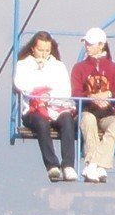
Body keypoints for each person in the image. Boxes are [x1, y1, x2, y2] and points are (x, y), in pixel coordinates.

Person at [14, 30, 78, 181]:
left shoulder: (57, 66)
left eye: (47, 51)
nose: (43, 54)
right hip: (32, 109)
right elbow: (21, 84)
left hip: (55, 107)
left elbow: (64, 89)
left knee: (67, 119)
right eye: (40, 50)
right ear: (33, 49)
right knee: (41, 124)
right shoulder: (24, 65)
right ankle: (52, 165)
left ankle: (68, 165)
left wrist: (48, 95)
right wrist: (39, 92)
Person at [70, 27, 115, 183]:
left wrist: (107, 95)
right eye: (86, 43)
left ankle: (93, 164)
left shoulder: (114, 68)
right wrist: (91, 97)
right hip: (87, 109)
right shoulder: (79, 68)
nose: (87, 47)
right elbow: (75, 93)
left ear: (101, 45)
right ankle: (99, 166)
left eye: (91, 44)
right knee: (88, 121)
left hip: (108, 112)